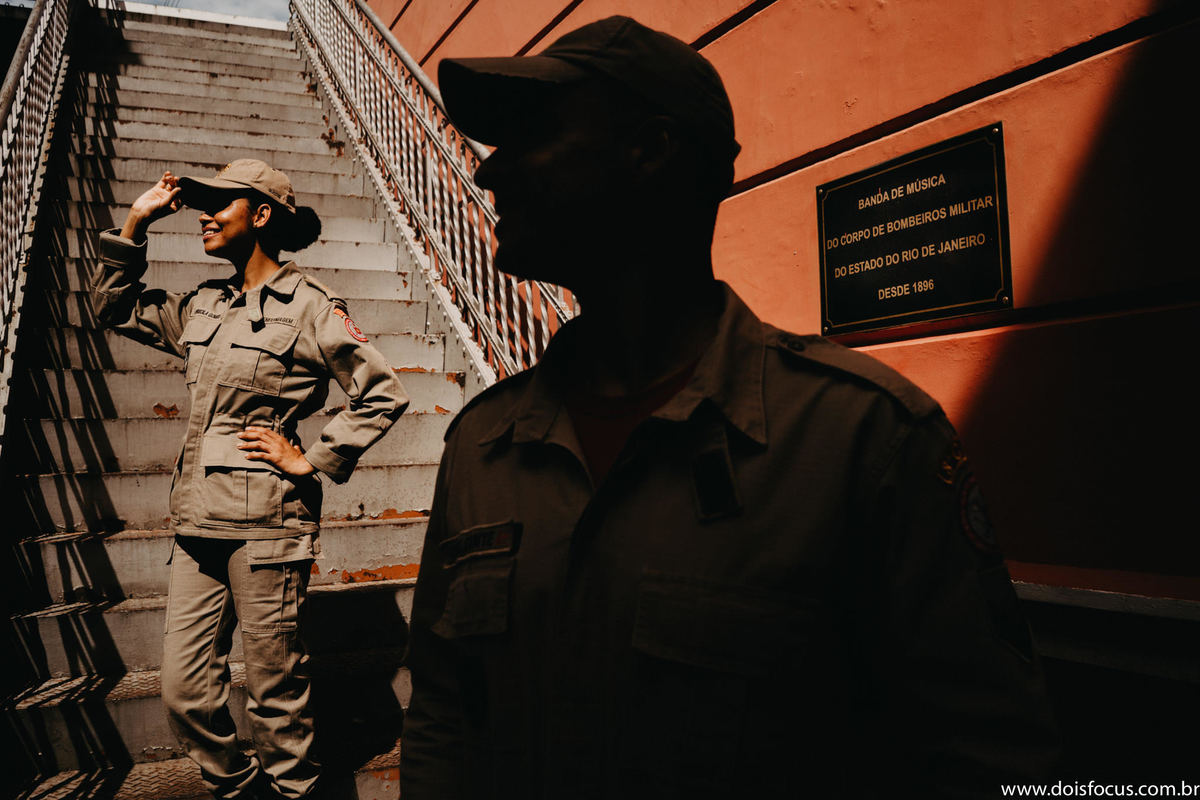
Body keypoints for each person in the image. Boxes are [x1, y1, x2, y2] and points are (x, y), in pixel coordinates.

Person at [400, 15, 1059, 799]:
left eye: (532, 134)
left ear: (650, 150)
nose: (488, 173)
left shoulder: (861, 438)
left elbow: (991, 762)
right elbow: (441, 714)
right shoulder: (483, 444)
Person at [91, 159, 409, 800]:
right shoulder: (205, 302)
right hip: (196, 519)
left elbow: (381, 393)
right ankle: (241, 790)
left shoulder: (311, 306)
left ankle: (293, 792)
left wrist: (312, 459)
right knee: (183, 694)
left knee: (275, 701)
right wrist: (136, 221)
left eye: (221, 203)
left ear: (261, 215)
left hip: (269, 521)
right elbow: (111, 307)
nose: (204, 214)